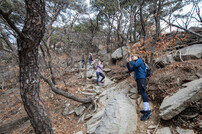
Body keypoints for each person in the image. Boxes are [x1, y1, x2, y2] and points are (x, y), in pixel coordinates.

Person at [126, 54, 151, 121]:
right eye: (132, 57)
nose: (132, 57)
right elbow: (130, 69)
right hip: (139, 79)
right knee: (142, 92)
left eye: (133, 56)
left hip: (141, 78)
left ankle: (147, 111)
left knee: (143, 92)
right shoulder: (136, 63)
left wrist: (131, 61)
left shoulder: (139, 61)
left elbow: (134, 66)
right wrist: (128, 63)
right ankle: (146, 110)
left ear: (137, 56)